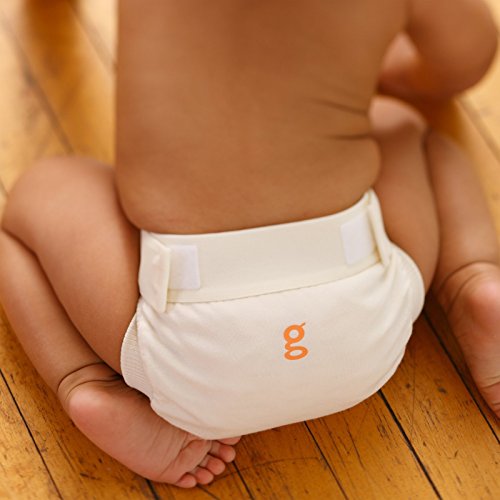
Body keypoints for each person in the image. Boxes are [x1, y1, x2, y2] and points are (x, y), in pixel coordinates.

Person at [0, 0, 498, 489]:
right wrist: (380, 68)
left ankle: (87, 382)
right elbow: (465, 58)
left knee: (39, 193)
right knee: (405, 127)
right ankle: (470, 281)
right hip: (364, 323)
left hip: (189, 347)